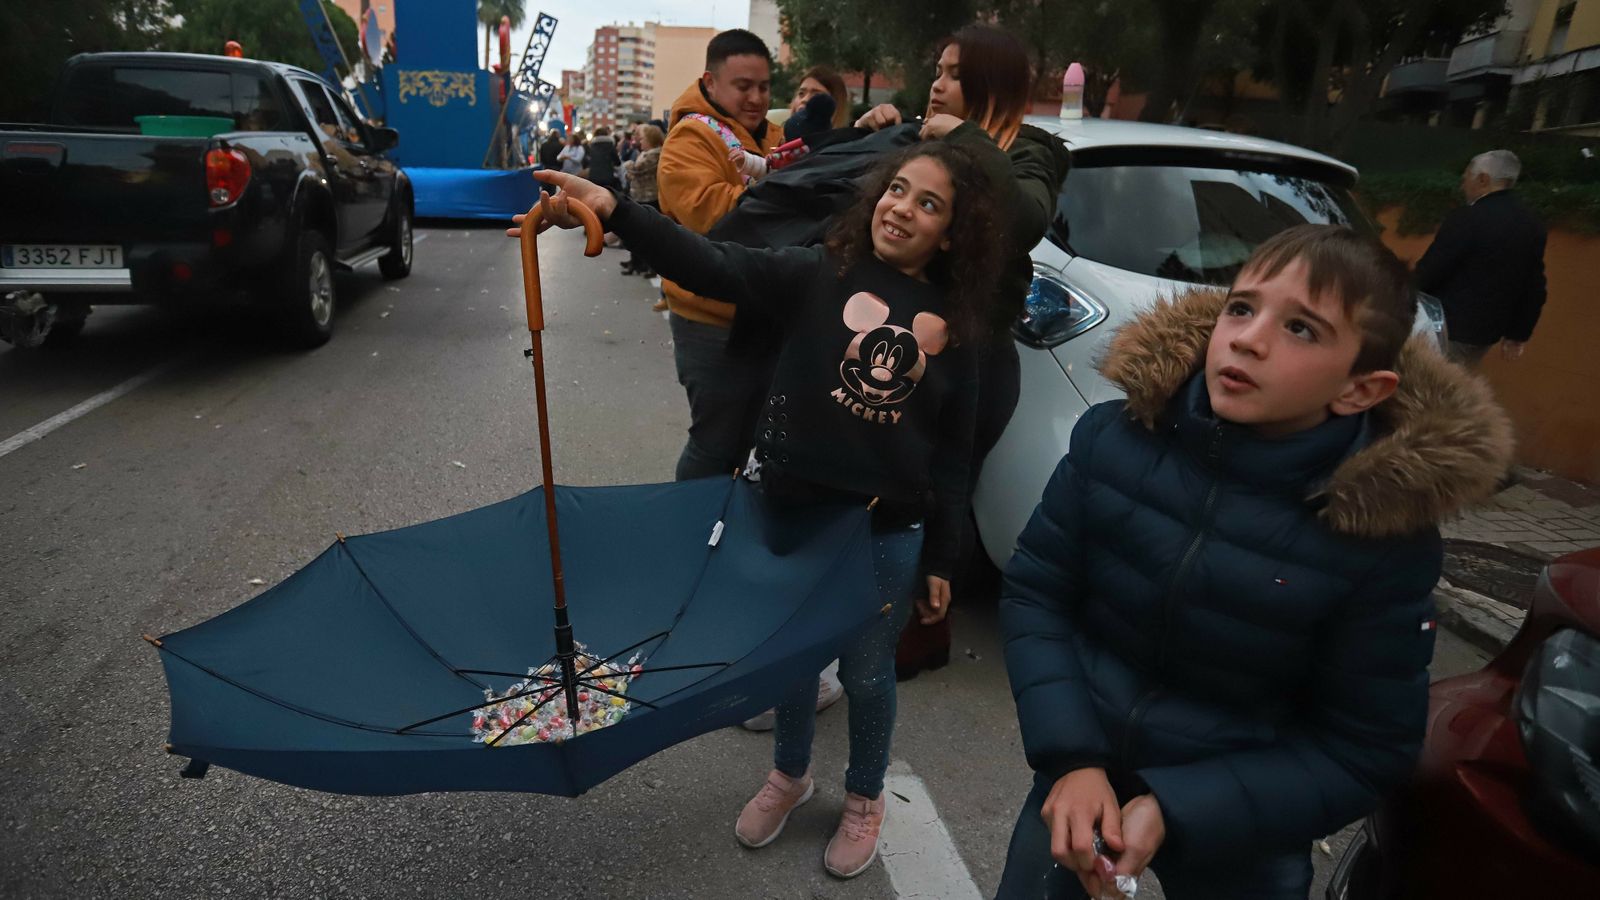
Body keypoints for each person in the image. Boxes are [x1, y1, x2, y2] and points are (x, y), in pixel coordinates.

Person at [515, 139, 1009, 879]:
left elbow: (954, 449)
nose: (903, 208)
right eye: (898, 189)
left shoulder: (958, 325)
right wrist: (618, 210)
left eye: (929, 203)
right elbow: (714, 263)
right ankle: (789, 774)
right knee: (790, 664)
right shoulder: (819, 272)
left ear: (953, 232)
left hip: (882, 532)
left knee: (869, 678)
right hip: (786, 513)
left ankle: (864, 797)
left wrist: (943, 556)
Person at [995, 225, 1513, 899]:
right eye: (1241, 307)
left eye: (1301, 329)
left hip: (1245, 829)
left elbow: (1364, 748)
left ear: (1360, 390)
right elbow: (1037, 593)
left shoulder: (1381, 539)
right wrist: (1072, 759)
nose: (1247, 337)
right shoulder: (1115, 440)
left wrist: (1175, 806)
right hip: (1078, 785)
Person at [853, 24, 1070, 679]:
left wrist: (962, 138)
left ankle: (916, 639)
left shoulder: (1034, 151)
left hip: (973, 360)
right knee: (882, 488)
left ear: (990, 85)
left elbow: (1025, 217)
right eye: (938, 72)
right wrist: (878, 138)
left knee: (933, 498)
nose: (937, 86)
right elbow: (875, 221)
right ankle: (874, 625)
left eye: (952, 74)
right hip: (903, 347)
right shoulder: (937, 140)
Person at [656, 28, 786, 481]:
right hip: (709, 318)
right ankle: (688, 526)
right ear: (710, 83)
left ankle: (725, 526)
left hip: (765, 313)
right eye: (743, 86)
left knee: (752, 438)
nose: (756, 98)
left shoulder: (774, 136)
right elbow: (717, 219)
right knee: (714, 442)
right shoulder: (689, 140)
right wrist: (789, 196)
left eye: (764, 86)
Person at [1414, 149, 1547, 368]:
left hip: (1444, 329)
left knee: (1425, 388)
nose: (1462, 185)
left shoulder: (1469, 217)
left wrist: (1400, 299)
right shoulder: (1532, 224)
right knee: (1456, 389)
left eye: (1466, 177)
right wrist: (1518, 334)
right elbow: (1534, 285)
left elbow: (1432, 270)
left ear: (1483, 179)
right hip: (1485, 335)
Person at [621, 124, 664, 277]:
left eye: (643, 138)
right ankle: (636, 262)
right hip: (639, 196)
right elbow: (633, 174)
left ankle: (650, 266)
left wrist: (629, 166)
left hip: (649, 198)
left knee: (648, 235)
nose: (640, 141)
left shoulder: (655, 154)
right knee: (637, 233)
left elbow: (635, 170)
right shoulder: (645, 153)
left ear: (651, 139)